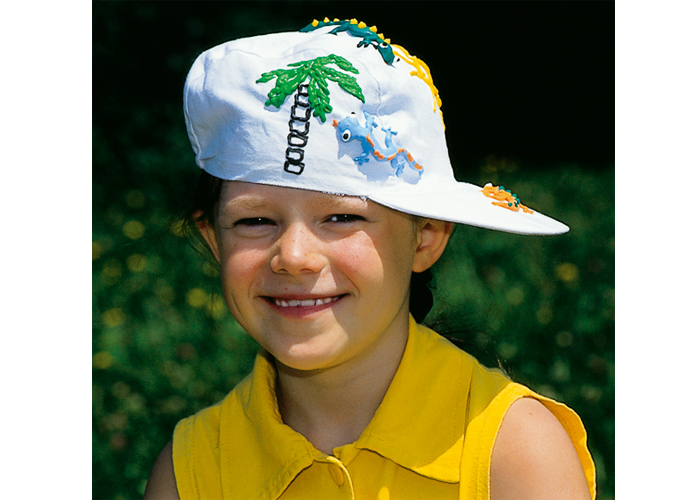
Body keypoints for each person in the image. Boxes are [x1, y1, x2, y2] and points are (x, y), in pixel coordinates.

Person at [144, 17, 596, 500]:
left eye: (340, 218)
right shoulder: (191, 469)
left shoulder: (513, 450)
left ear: (425, 237)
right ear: (214, 240)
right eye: (255, 222)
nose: (293, 256)